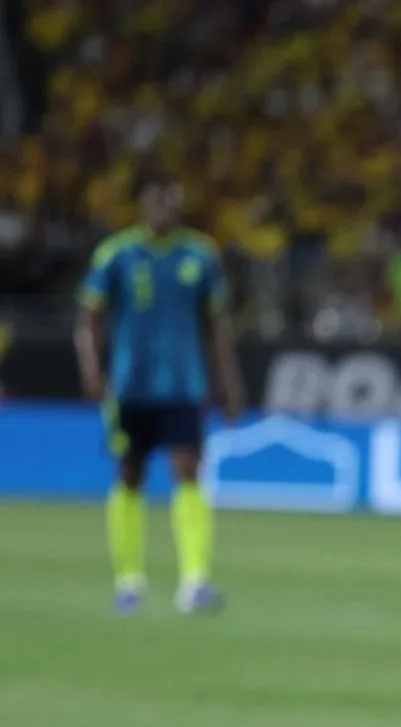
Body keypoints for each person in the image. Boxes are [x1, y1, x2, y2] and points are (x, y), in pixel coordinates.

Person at [75, 171, 244, 614]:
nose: (165, 210)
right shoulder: (117, 254)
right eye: (158, 201)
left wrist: (229, 384)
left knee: (188, 470)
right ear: (143, 205)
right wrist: (93, 370)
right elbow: (89, 318)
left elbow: (217, 327)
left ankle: (195, 581)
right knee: (129, 474)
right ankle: (128, 581)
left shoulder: (200, 255)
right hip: (130, 385)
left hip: (185, 385)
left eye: (172, 202)